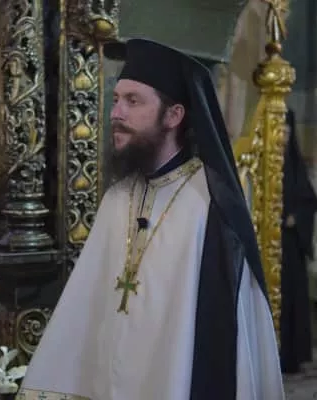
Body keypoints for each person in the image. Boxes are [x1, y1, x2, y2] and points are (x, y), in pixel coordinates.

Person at [16, 38, 284, 400]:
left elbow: (224, 339)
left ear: (173, 116)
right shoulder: (117, 199)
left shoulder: (208, 206)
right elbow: (83, 313)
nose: (116, 113)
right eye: (116, 99)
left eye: (133, 101)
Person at [279, 110, 317, 374]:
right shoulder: (263, 162)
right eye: (279, 130)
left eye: (287, 131)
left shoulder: (295, 164)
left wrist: (296, 218)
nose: (283, 136)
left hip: (290, 244)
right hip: (268, 240)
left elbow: (309, 201)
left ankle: (291, 357)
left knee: (291, 298)